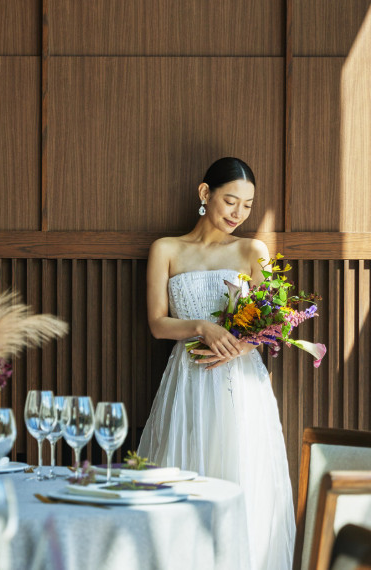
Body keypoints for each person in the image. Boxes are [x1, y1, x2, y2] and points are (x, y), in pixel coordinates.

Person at [137, 157, 295, 570]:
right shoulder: (166, 249)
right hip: (188, 379)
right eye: (230, 201)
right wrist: (201, 327)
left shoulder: (252, 250)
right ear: (205, 194)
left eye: (247, 205)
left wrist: (241, 347)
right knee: (184, 483)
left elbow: (274, 325)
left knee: (242, 478)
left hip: (241, 385)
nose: (238, 214)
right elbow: (157, 324)